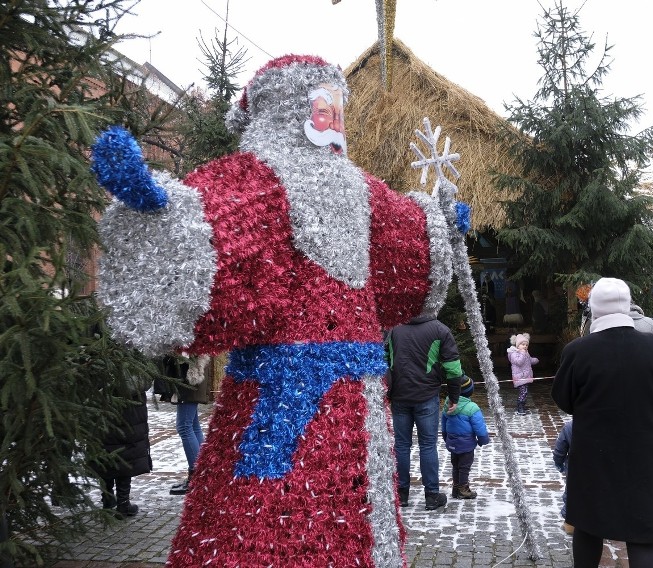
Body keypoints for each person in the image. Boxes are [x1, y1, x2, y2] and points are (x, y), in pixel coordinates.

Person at [90, 54, 462, 566]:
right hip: (278, 398)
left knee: (360, 511)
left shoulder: (360, 188)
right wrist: (161, 214)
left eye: (337, 109)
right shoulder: (256, 179)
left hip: (362, 397)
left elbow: (405, 246)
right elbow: (217, 225)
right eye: (321, 108)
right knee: (266, 516)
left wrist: (439, 225)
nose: (332, 121)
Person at [551, 277, 653, 568]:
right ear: (627, 305)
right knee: (643, 537)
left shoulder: (578, 351)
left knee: (587, 528)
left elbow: (563, 399)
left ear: (594, 309)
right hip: (644, 454)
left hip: (593, 456)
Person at [386, 315, 465, 511]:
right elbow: (453, 368)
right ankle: (431, 496)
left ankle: (401, 494)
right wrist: (454, 396)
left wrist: (386, 391)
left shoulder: (394, 327)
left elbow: (384, 361)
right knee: (428, 445)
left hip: (399, 396)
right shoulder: (439, 329)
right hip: (427, 396)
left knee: (401, 445)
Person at [93, 373, 152, 519]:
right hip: (130, 408)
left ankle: (108, 499)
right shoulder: (137, 351)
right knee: (126, 452)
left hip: (103, 404)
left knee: (105, 448)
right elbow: (144, 378)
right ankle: (123, 503)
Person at [154, 354, 212, 496]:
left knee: (184, 426)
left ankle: (196, 477)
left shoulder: (190, 336)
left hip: (190, 377)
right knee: (192, 426)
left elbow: (184, 352)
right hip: (193, 374)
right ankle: (203, 473)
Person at [440, 376, 490, 499]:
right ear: (470, 391)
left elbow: (443, 423)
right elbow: (480, 427)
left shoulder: (448, 404)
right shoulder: (472, 408)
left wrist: (446, 437)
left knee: (456, 465)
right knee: (464, 467)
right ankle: (463, 489)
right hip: (466, 444)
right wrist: (483, 439)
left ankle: (455, 488)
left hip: (452, 442)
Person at [507, 332, 538, 415]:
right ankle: (520, 407)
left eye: (526, 345)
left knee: (525, 391)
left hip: (525, 376)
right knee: (523, 392)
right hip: (519, 377)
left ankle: (522, 405)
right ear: (517, 345)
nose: (525, 346)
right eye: (522, 344)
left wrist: (534, 360)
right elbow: (519, 362)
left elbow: (528, 360)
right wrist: (523, 353)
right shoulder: (514, 353)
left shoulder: (525, 352)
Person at [552, 417, 574, 535]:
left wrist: (558, 463)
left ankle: (570, 524)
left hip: (577, 470)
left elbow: (560, 450)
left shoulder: (571, 426)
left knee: (572, 493)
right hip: (604, 470)